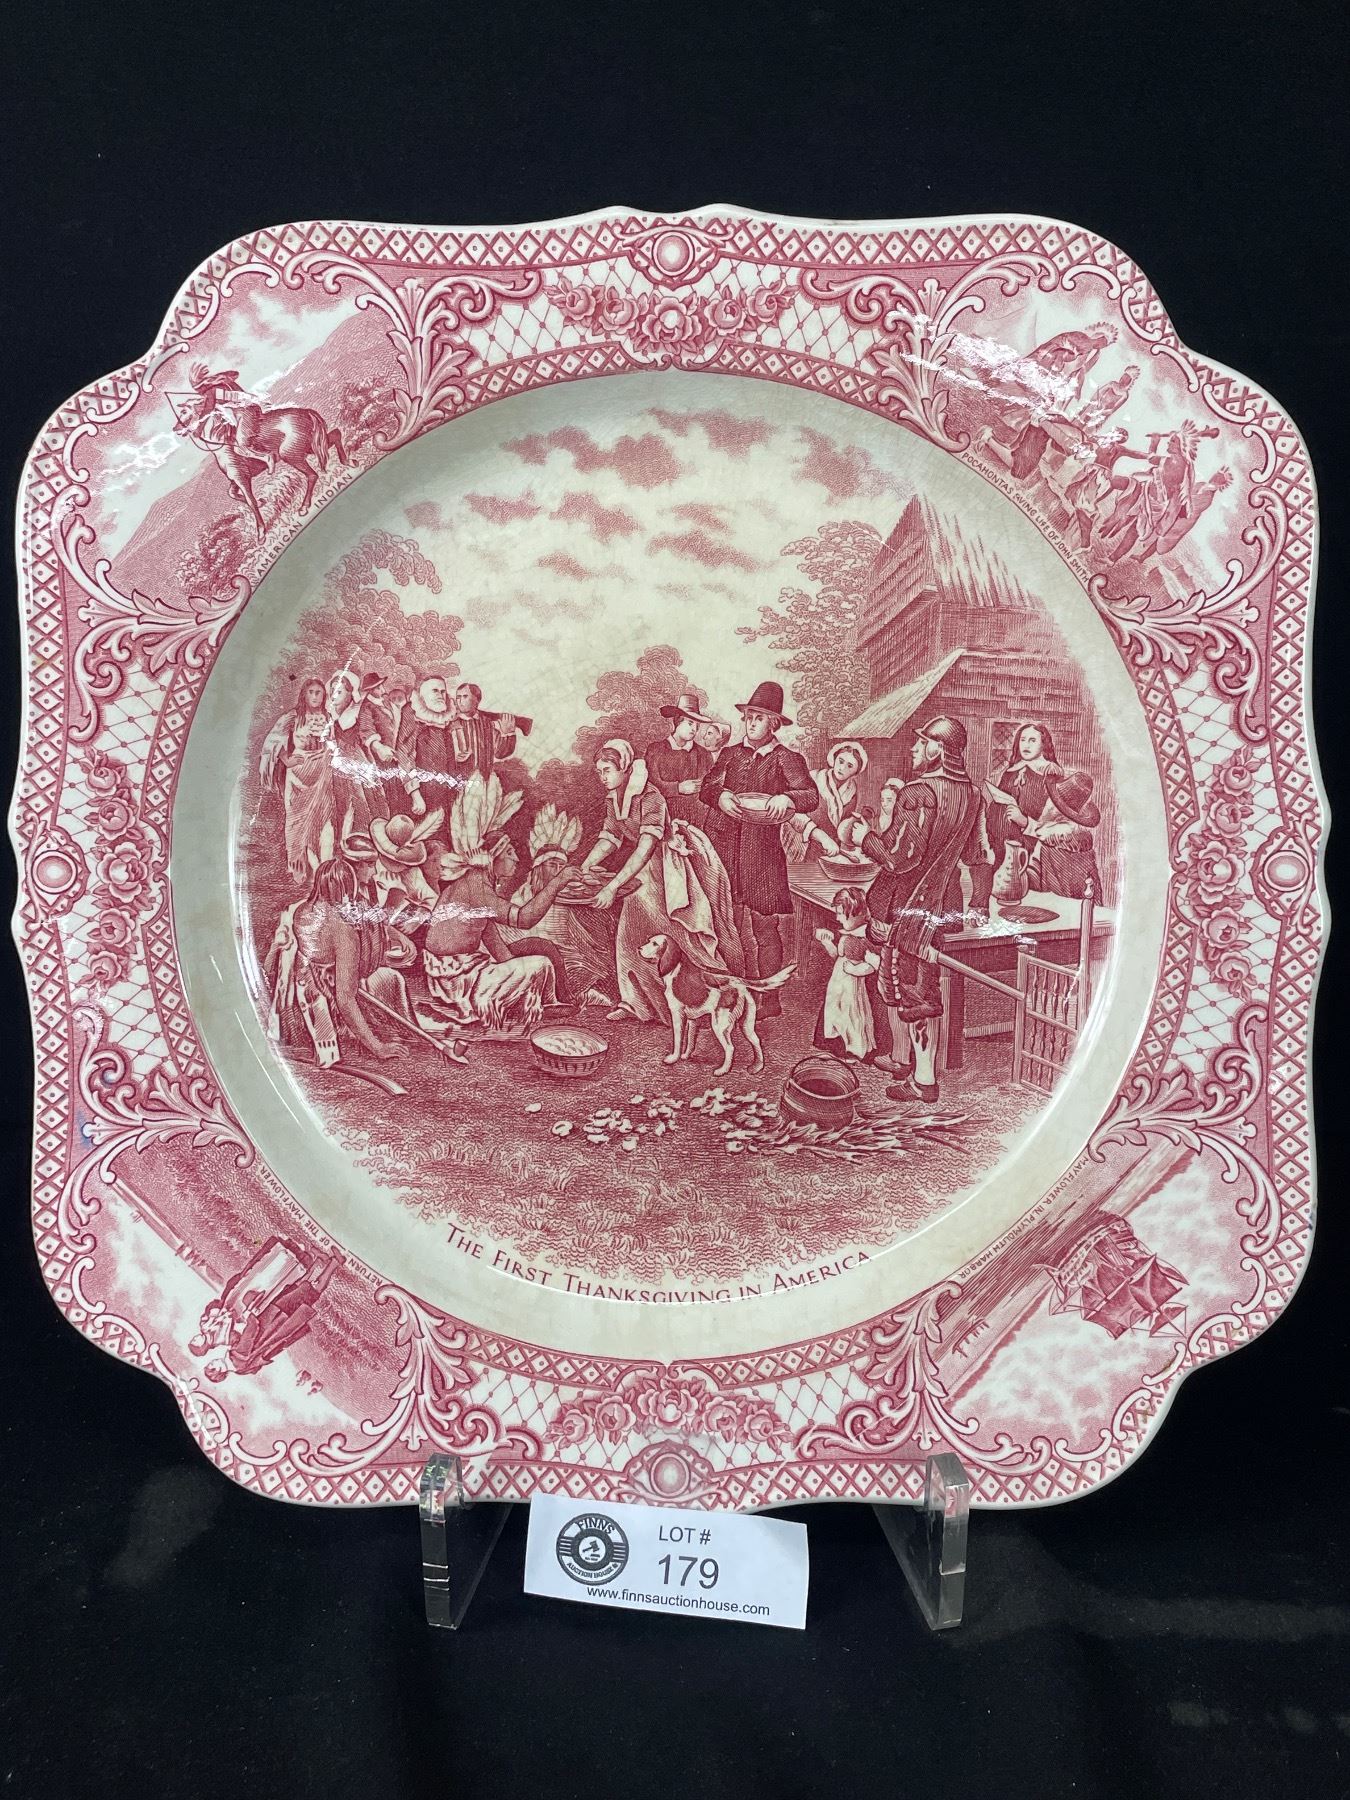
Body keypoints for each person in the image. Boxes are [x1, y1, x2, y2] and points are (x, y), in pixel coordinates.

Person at [849, 716, 993, 1103]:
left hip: (908, 910)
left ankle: (924, 1080)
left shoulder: (918, 792)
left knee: (915, 992)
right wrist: (979, 903)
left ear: (937, 748)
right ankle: (905, 1061)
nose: (914, 749)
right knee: (905, 984)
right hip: (941, 908)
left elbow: (899, 858)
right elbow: (980, 856)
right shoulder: (973, 794)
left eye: (921, 742)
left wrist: (865, 838)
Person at [582, 740, 741, 1025]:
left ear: (624, 767)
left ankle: (711, 998)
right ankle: (636, 1003)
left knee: (682, 934)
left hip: (667, 869)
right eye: (599, 771)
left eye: (607, 770)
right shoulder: (613, 797)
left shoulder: (650, 796)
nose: (602, 776)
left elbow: (646, 847)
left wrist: (613, 886)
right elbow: (610, 837)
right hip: (641, 873)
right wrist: (585, 865)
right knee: (629, 935)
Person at [418, 773, 569, 1039]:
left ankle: (549, 1003)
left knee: (538, 948)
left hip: (462, 967)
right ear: (493, 859)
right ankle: (534, 1006)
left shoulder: (477, 884)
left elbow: (490, 937)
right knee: (542, 964)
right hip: (457, 978)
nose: (516, 858)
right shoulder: (477, 886)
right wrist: (557, 883)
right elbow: (524, 919)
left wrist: (512, 968)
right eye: (509, 853)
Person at [699, 680, 818, 1015]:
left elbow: (810, 796)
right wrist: (720, 795)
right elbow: (707, 787)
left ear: (774, 723)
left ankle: (770, 1000)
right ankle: (727, 996)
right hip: (724, 848)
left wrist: (787, 798)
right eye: (749, 717)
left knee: (765, 929)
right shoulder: (730, 754)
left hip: (761, 853)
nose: (751, 723)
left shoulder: (787, 759)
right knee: (725, 924)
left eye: (759, 718)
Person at [265, 856, 417, 1066]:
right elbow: (345, 999)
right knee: (387, 980)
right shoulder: (343, 932)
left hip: (305, 978)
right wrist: (378, 1048)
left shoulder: (303, 910)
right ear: (348, 888)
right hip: (323, 989)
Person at [500, 804, 615, 1005]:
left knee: (581, 962)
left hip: (562, 956)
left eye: (562, 866)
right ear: (538, 868)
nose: (558, 871)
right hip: (531, 954)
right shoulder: (524, 896)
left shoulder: (565, 895)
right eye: (553, 865)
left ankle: (572, 993)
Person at [259, 678, 335, 884]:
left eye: (319, 692)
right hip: (299, 773)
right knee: (296, 821)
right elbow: (273, 741)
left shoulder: (328, 717)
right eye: (311, 692)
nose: (315, 696)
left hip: (322, 771)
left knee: (323, 818)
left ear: (324, 696)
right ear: (304, 694)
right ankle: (298, 868)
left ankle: (324, 868)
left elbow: (332, 742)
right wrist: (286, 760)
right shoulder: (294, 717)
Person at [327, 669, 397, 845]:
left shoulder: (359, 709)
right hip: (340, 767)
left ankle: (367, 838)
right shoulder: (331, 716)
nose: (334, 696)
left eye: (339, 692)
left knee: (365, 799)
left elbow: (367, 732)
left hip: (359, 762)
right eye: (332, 691)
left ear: (350, 693)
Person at [813, 887, 882, 1061]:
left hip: (853, 989)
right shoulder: (847, 935)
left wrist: (855, 970)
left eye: (840, 914)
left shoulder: (865, 938)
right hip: (838, 985)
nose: (837, 918)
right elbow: (839, 956)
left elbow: (873, 964)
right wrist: (827, 943)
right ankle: (836, 1047)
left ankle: (853, 1051)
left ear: (856, 915)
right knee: (835, 1014)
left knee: (851, 1018)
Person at [985, 721, 1064, 868]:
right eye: (1022, 740)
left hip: (1028, 849)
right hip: (998, 844)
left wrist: (1024, 821)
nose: (1026, 745)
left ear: (1044, 744)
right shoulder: (1011, 770)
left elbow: (1054, 820)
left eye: (1032, 740)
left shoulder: (1050, 772)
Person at [1023, 770, 1103, 900]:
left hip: (1070, 907)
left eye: (1051, 800)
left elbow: (1063, 891)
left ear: (1058, 811)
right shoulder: (1050, 840)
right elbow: (1037, 875)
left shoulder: (1064, 840)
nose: (1046, 803)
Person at [785, 739, 869, 862]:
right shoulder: (812, 779)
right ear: (834, 759)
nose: (842, 768)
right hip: (803, 844)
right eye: (841, 761)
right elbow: (792, 812)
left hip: (830, 850)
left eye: (850, 766)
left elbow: (842, 828)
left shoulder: (851, 793)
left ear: (856, 772)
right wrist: (820, 836)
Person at [645, 691, 718, 830]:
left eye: (697, 725)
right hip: (662, 822)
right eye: (690, 723)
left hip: (698, 824)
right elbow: (651, 785)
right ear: (678, 720)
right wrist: (678, 788)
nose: (694, 729)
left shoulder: (704, 754)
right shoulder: (656, 750)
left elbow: (710, 788)